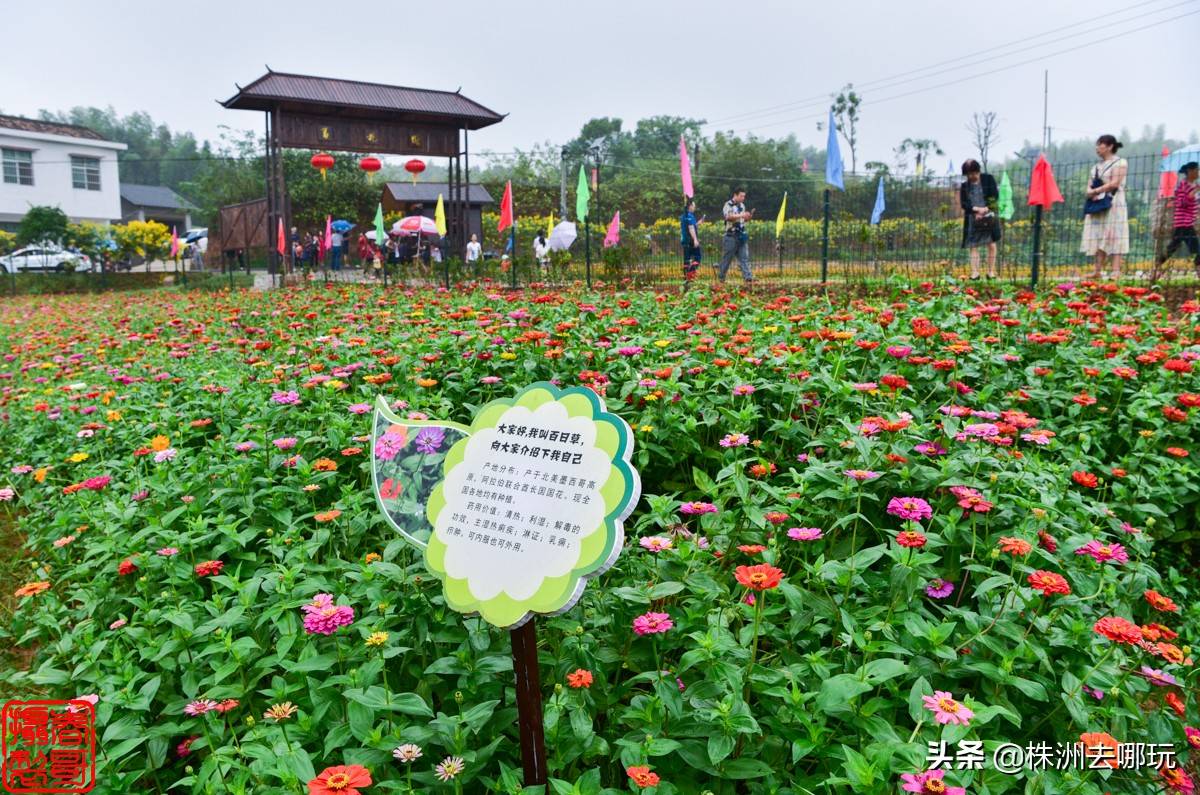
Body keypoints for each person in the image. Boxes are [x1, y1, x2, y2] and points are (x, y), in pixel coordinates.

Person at [1080, 134, 1129, 281]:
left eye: (1100, 144)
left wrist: (1095, 191)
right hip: (1097, 204)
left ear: (1110, 146)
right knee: (1098, 233)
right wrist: (1090, 191)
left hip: (1114, 202)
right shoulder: (1095, 167)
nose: (1097, 148)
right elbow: (1089, 184)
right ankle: (1097, 270)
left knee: (1115, 233)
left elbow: (1115, 183)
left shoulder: (1120, 162)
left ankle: (1115, 271)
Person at [1153, 161, 1200, 280]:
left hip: (1186, 223)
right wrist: (1194, 192)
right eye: (1196, 170)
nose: (1198, 172)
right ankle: (1198, 270)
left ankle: (1156, 270)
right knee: (1197, 250)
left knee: (1171, 248)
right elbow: (1181, 203)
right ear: (1190, 171)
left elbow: (1192, 204)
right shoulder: (1183, 185)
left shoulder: (1191, 185)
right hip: (1184, 224)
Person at [959, 160, 1000, 280]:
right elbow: (964, 204)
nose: (972, 176)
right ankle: (975, 273)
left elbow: (995, 196)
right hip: (973, 218)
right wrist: (975, 210)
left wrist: (986, 209)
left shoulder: (988, 179)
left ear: (978, 171)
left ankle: (991, 272)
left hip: (989, 215)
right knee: (973, 245)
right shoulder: (964, 186)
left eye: (974, 173)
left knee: (991, 244)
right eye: (969, 174)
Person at [718, 188, 754, 284]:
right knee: (727, 259)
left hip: (741, 235)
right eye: (741, 196)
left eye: (744, 196)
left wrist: (748, 217)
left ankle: (748, 278)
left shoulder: (742, 205)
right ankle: (721, 278)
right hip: (731, 236)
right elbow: (728, 217)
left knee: (744, 258)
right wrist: (742, 215)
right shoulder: (728, 205)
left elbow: (742, 220)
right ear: (735, 195)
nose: (743, 198)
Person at [680, 198, 701, 289]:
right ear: (690, 206)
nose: (695, 207)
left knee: (687, 260)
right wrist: (695, 239)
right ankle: (691, 274)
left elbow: (691, 226)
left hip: (685, 241)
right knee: (697, 257)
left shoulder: (684, 216)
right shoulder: (690, 216)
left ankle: (686, 279)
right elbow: (690, 228)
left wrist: (698, 224)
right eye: (693, 205)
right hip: (691, 241)